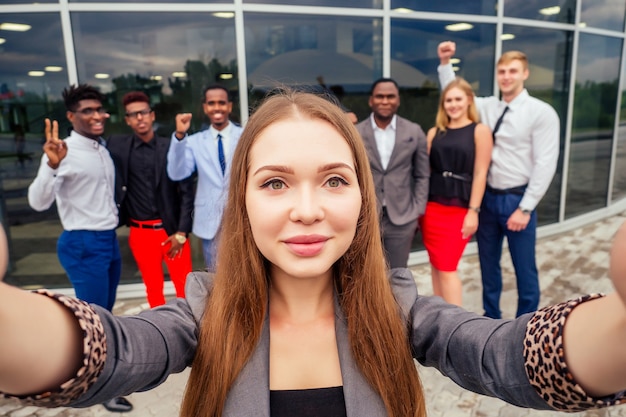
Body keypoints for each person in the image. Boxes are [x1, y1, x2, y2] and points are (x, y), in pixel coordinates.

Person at [4, 90, 626, 417]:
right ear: (241, 202)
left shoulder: (398, 304)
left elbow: (504, 356)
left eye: (334, 179)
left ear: (362, 197)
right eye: (275, 182)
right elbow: (113, 352)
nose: (307, 209)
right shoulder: (203, 308)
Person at [26, 84, 132, 413]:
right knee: (94, 324)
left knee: (103, 315)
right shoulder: (64, 151)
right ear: (71, 116)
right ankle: (97, 390)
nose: (98, 115)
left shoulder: (100, 148)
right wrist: (53, 164)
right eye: (88, 111)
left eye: (100, 109)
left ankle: (92, 378)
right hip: (83, 242)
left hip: (106, 240)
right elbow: (37, 201)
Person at [438, 41, 560, 319]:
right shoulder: (487, 106)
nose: (506, 76)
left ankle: (525, 325)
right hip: (488, 199)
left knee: (524, 268)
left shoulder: (541, 113)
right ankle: (491, 319)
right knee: (488, 265)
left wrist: (526, 207)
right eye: (502, 71)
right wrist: (445, 65)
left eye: (513, 71)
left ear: (525, 74)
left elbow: (545, 163)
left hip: (517, 199)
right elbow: (456, 95)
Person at [107, 91, 194, 308]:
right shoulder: (117, 147)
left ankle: (192, 334)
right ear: (127, 120)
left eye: (143, 112)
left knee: (185, 288)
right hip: (141, 233)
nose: (139, 118)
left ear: (152, 115)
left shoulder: (170, 147)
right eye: (133, 114)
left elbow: (186, 191)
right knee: (153, 289)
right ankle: (160, 334)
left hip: (172, 232)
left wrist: (182, 232)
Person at [419, 78, 492, 306]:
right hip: (431, 209)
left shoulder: (480, 131)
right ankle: (439, 317)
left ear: (468, 100)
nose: (453, 104)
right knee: (436, 265)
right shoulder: (433, 133)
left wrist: (474, 211)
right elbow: (425, 172)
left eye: (458, 99)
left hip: (459, 209)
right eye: (448, 100)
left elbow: (481, 172)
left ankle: (455, 326)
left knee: (448, 267)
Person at [167, 84, 243, 271]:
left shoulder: (245, 136)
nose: (217, 108)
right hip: (210, 221)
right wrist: (179, 135)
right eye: (211, 103)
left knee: (245, 272)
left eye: (221, 103)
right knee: (216, 277)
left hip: (242, 216)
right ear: (205, 108)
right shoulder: (194, 141)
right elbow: (177, 173)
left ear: (229, 106)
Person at [356, 78, 429, 268]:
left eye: (390, 96)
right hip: (366, 216)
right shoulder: (356, 133)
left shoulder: (414, 131)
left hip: (402, 219)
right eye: (380, 96)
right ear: (371, 100)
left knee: (398, 274)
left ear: (398, 100)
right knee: (364, 272)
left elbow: (422, 174)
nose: (385, 101)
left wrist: (418, 209)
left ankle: (398, 300)